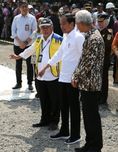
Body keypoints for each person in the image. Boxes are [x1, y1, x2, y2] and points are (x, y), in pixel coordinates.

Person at [10, 18, 62, 130]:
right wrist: (18, 56)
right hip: (40, 75)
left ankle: (54, 121)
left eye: (47, 27)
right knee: (43, 99)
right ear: (40, 29)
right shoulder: (39, 39)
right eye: (43, 27)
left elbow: (61, 55)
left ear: (52, 27)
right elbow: (31, 50)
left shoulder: (58, 39)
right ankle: (45, 119)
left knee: (55, 100)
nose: (45, 29)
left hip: (53, 74)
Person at [40, 13, 84, 144]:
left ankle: (76, 135)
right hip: (63, 77)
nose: (62, 26)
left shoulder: (78, 37)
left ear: (72, 23)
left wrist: (78, 76)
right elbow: (59, 54)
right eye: (60, 23)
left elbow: (83, 58)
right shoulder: (66, 36)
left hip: (73, 79)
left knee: (74, 108)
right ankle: (65, 131)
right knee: (63, 106)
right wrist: (46, 67)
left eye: (64, 23)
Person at [72, 10, 104, 152]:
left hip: (91, 84)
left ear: (82, 23)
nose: (77, 27)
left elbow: (87, 63)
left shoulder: (94, 39)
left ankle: (95, 146)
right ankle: (90, 144)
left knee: (91, 116)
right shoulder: (91, 36)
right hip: (88, 83)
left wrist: (76, 76)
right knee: (88, 116)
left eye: (78, 24)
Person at [11, 1, 37, 90]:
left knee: (30, 65)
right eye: (23, 7)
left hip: (29, 45)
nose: (24, 8)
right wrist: (20, 42)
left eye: (26, 6)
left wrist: (25, 43)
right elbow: (13, 32)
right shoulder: (16, 18)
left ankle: (30, 83)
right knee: (18, 64)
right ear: (19, 8)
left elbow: (34, 32)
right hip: (17, 44)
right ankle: (18, 83)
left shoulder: (32, 18)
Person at [97, 13, 113, 104]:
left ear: (106, 22)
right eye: (98, 21)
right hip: (97, 60)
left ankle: (103, 97)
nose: (99, 23)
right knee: (98, 79)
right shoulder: (97, 32)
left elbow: (106, 47)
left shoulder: (108, 33)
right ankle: (98, 96)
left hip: (104, 60)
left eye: (101, 22)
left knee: (104, 79)